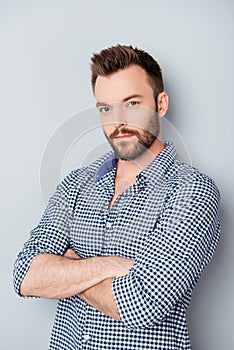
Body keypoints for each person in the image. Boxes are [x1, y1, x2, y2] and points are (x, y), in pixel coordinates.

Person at [13, 44, 221, 350]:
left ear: (160, 104)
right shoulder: (75, 184)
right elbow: (25, 276)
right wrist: (107, 265)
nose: (118, 121)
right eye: (106, 108)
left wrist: (69, 267)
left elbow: (142, 303)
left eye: (132, 103)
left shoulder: (191, 191)